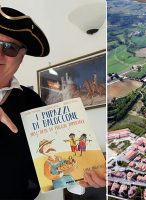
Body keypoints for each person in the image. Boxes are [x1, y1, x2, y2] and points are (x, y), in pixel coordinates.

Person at [0, 6, 105, 199]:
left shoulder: (32, 102)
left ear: (21, 57)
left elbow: (60, 157)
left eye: (10, 48)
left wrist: (86, 172)